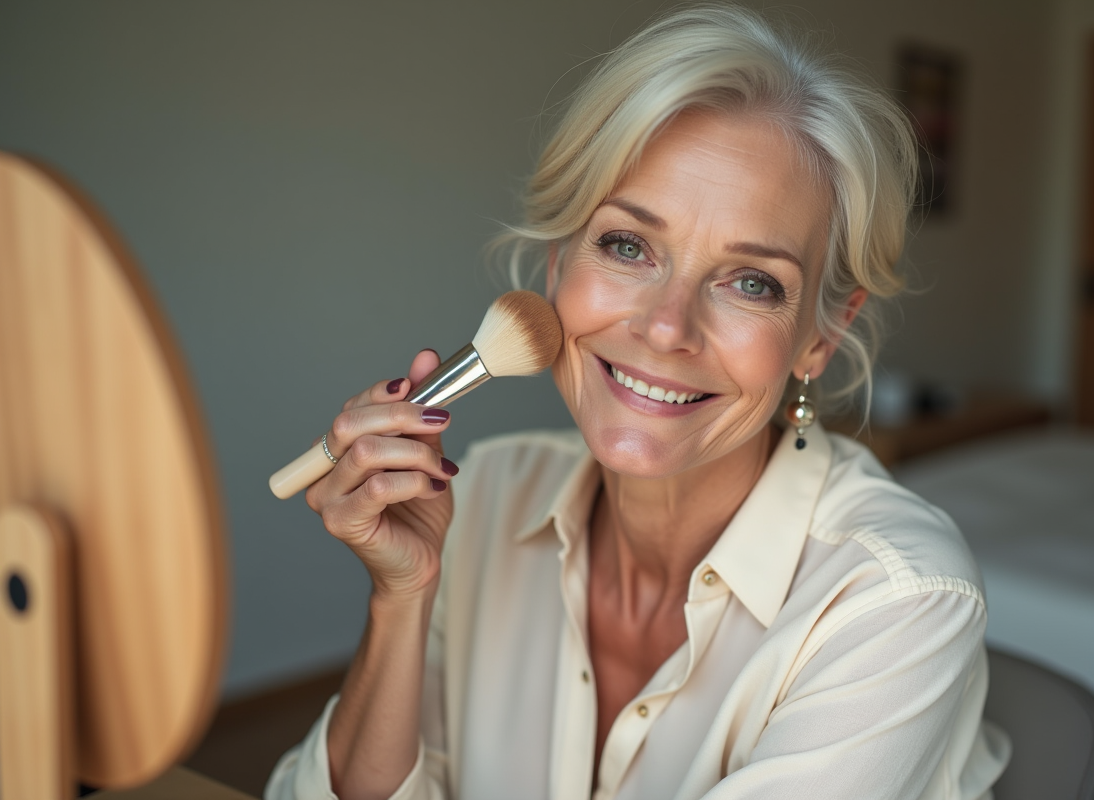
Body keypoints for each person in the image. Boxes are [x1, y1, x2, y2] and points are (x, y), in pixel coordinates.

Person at [266, 5, 1010, 799]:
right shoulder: (480, 494)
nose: (665, 326)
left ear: (820, 338)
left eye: (751, 282)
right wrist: (401, 599)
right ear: (557, 267)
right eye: (627, 245)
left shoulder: (894, 602)